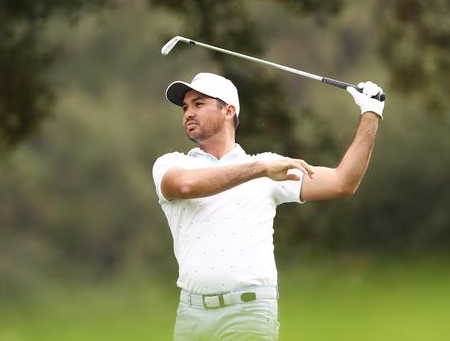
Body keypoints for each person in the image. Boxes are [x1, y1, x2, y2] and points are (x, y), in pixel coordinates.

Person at [152, 72, 384, 340]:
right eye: (185, 107)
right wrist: (259, 168)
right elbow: (183, 186)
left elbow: (343, 181)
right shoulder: (171, 163)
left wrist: (370, 114)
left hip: (249, 312)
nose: (188, 113)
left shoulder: (270, 169)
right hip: (191, 316)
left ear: (228, 110)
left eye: (198, 104)